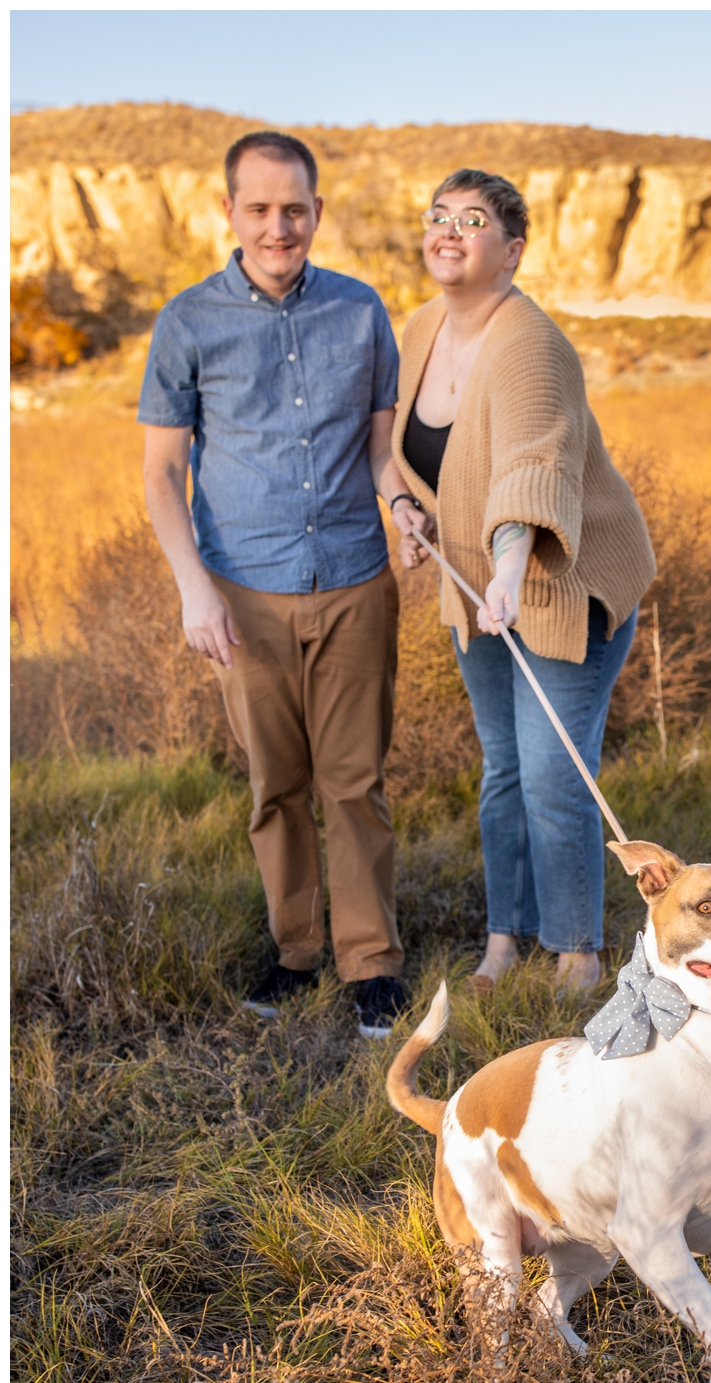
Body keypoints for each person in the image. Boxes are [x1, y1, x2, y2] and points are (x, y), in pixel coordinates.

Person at [141, 130, 411, 1039]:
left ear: (317, 213)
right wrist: (193, 589)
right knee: (276, 786)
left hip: (353, 580)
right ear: (229, 214)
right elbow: (159, 473)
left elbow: (380, 450)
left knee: (355, 782)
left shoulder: (361, 311)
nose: (277, 226)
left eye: (294, 208)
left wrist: (403, 506)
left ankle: (370, 962)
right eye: (258, 208)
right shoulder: (187, 323)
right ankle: (297, 951)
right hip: (241, 594)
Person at [377, 169, 656, 993]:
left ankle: (577, 955)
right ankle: (504, 944)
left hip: (563, 587)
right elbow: (404, 448)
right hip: (479, 594)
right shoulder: (422, 330)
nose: (449, 231)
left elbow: (532, 464)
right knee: (502, 770)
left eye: (472, 220)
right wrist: (406, 507)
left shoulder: (530, 342)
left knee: (552, 775)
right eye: (437, 217)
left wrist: (506, 565)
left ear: (512, 250)